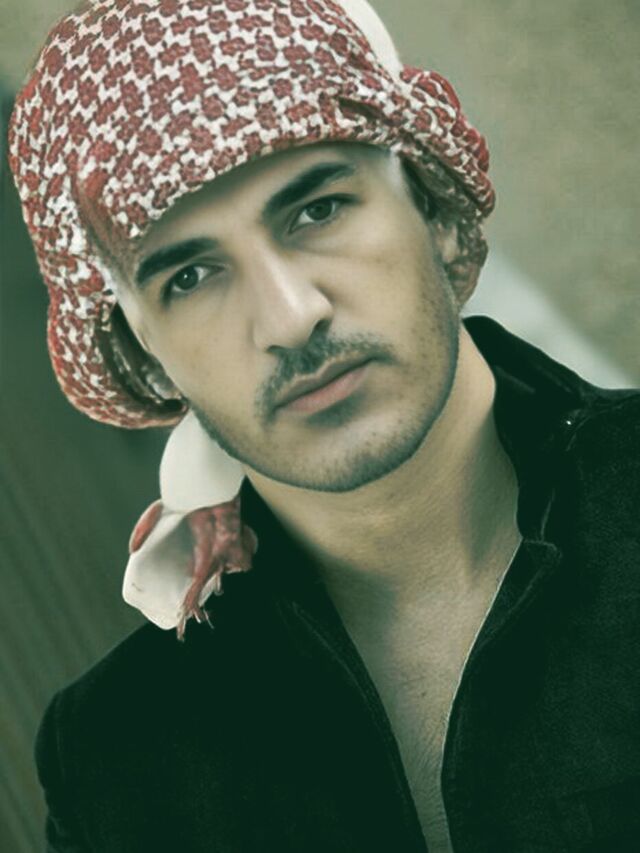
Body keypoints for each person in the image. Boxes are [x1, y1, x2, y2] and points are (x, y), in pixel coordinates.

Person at [8, 0, 640, 850]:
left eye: (317, 210)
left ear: (432, 205)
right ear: (145, 353)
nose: (290, 316)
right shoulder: (112, 763)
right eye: (190, 275)